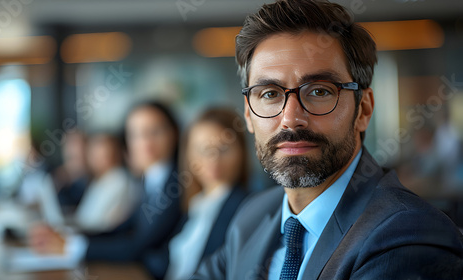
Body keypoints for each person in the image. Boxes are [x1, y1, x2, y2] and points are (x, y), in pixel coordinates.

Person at [192, 1, 463, 279]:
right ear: (249, 115)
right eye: (270, 94)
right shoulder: (253, 216)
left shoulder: (408, 235)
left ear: (364, 109)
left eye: (320, 91)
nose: (290, 118)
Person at [30, 101, 182, 275]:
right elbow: (124, 228)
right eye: (136, 134)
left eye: (155, 131)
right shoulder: (151, 178)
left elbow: (139, 244)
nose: (145, 142)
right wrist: (71, 239)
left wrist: (73, 247)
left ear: (174, 132)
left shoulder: (178, 182)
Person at [160, 108, 248, 280]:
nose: (212, 159)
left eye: (223, 149)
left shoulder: (246, 207)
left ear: (241, 151)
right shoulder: (196, 204)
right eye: (202, 149)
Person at [73, 133, 138, 233]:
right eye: (93, 154)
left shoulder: (119, 182)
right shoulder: (100, 180)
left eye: (102, 155)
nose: (94, 159)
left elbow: (103, 226)